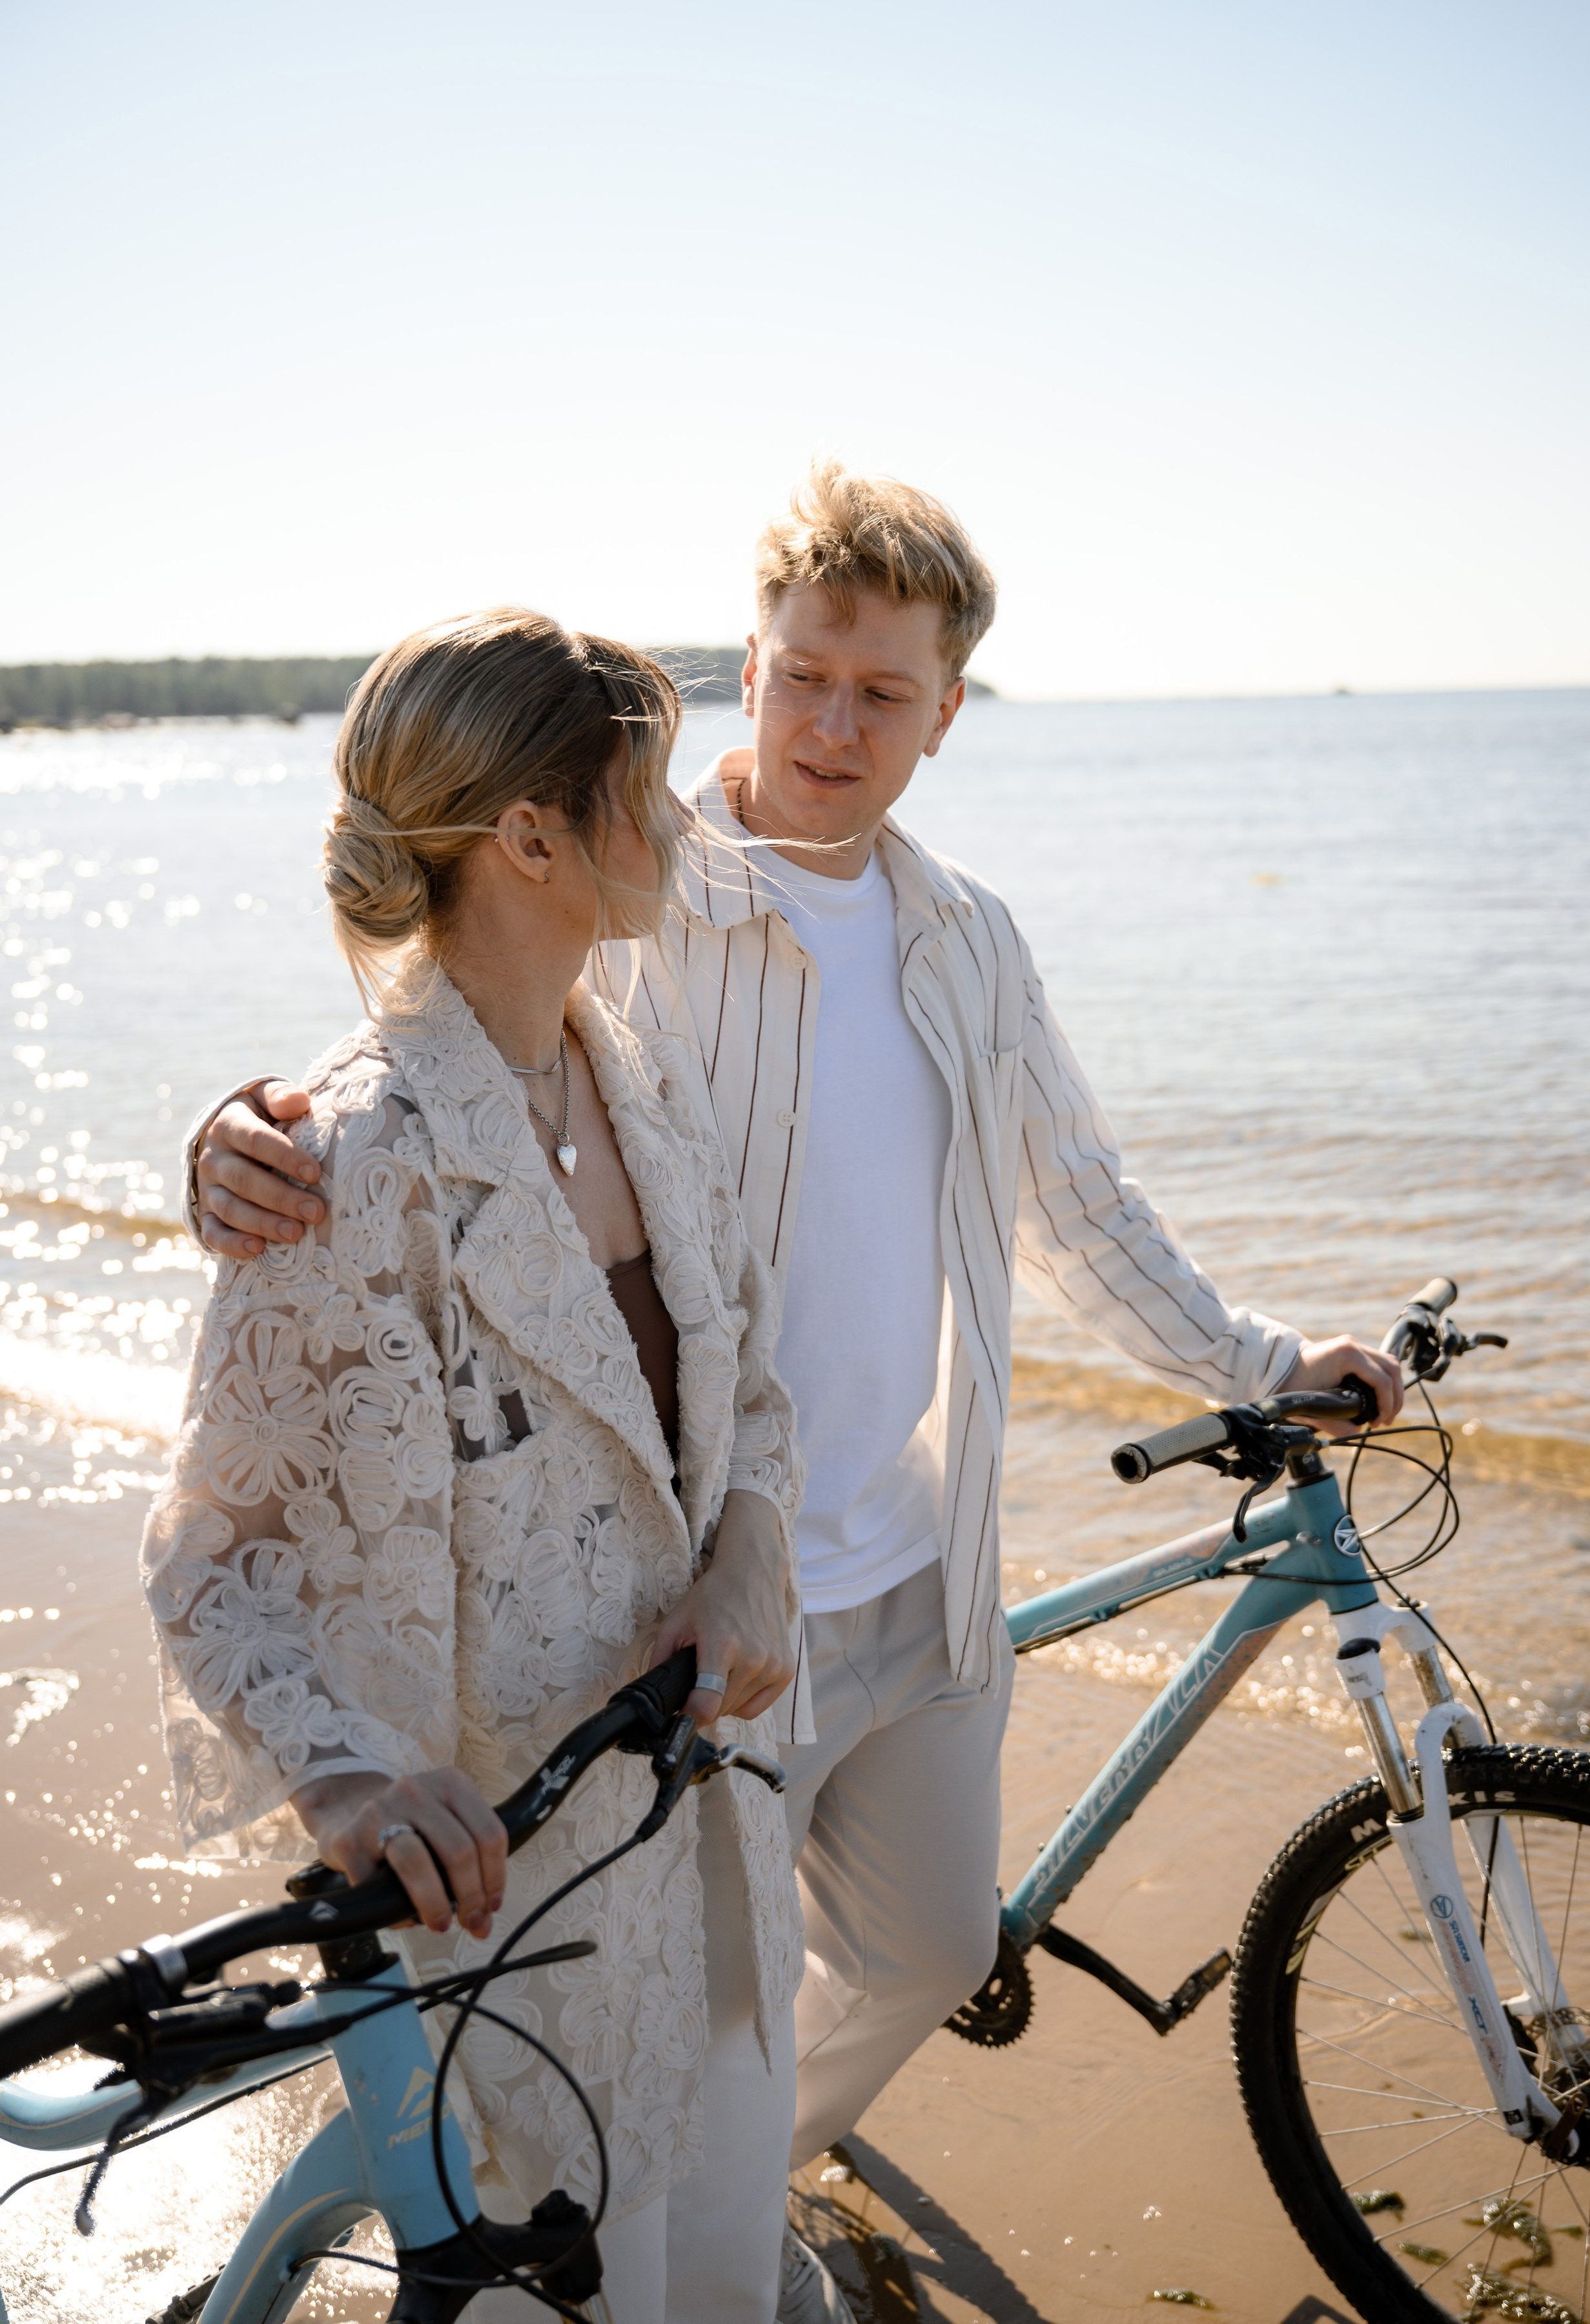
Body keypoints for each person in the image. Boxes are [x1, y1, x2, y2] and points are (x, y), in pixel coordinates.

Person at [190, 469, 1405, 2324]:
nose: (834, 726)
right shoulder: (632, 874)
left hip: (907, 1559)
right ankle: (684, 2228)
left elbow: (1077, 1205)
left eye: (884, 693)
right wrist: (230, 1137)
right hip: (660, 1627)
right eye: (802, 678)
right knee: (638, 2041)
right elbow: (425, 1030)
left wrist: (1260, 1364)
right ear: (750, 668)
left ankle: (733, 2207)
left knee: (920, 1953)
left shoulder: (968, 939)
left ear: (946, 711)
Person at [143, 609, 808, 2324]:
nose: (681, 821)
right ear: (530, 836)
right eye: (647, 787)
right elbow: (209, 1561)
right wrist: (354, 1783)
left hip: (720, 1853)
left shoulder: (630, 1064)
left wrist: (750, 1549)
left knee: (732, 2288)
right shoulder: (348, 1160)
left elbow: (751, 1382)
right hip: (515, 1915)